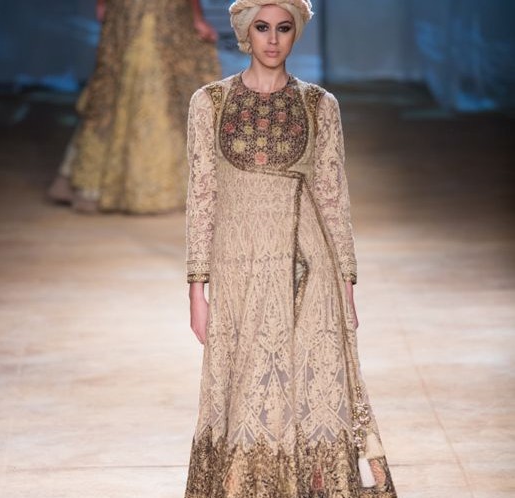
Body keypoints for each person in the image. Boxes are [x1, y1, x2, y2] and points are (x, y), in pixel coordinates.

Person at [184, 0, 398, 496]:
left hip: (309, 263)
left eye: (283, 28)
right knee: (243, 389)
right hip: (238, 265)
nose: (273, 39)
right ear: (245, 32)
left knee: (310, 387)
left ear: (296, 33)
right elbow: (201, 195)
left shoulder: (320, 105)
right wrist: (197, 289)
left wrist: (346, 286)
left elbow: (333, 195)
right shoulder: (209, 102)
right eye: (262, 27)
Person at [47, 0, 220, 214]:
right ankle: (145, 187)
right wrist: (197, 17)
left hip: (127, 10)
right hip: (158, 11)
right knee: (151, 86)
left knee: (119, 87)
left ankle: (100, 187)